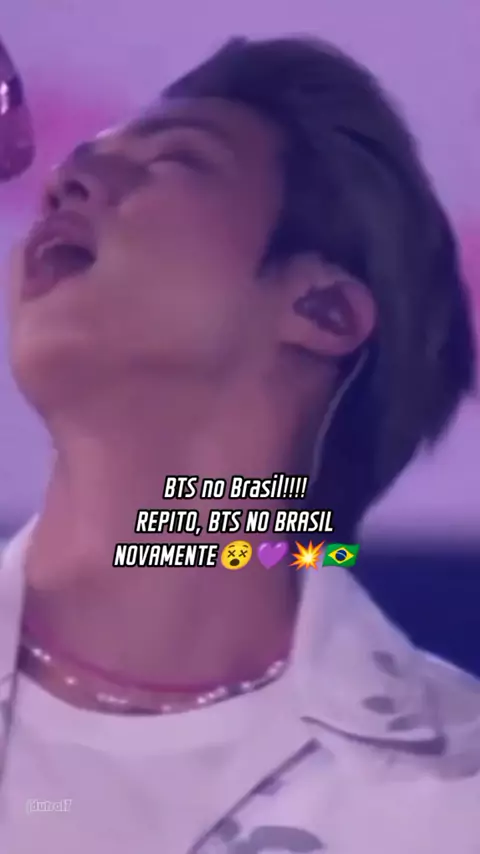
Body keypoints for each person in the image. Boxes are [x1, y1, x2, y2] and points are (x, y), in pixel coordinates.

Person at [0, 35, 478, 854]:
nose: (63, 183)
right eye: (77, 162)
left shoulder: (455, 803)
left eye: (174, 160)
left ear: (323, 310)